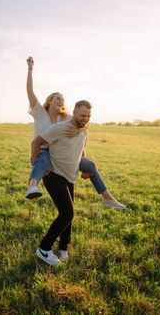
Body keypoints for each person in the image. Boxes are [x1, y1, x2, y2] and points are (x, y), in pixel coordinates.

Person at [25, 56, 126, 210]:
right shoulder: (39, 112)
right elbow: (30, 92)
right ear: (50, 100)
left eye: (63, 100)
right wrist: (30, 69)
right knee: (42, 162)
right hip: (43, 150)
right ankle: (32, 186)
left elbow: (83, 122)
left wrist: (79, 129)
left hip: (61, 152)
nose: (61, 101)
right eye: (58, 98)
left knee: (90, 165)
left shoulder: (65, 117)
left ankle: (108, 198)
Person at [34, 100, 93, 265]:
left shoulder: (84, 131)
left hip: (69, 175)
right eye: (82, 115)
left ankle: (63, 248)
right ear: (74, 112)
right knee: (67, 213)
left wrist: (85, 167)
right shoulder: (59, 128)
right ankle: (44, 249)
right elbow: (36, 142)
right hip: (53, 174)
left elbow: (81, 149)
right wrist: (36, 164)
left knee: (69, 214)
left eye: (88, 116)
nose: (86, 118)